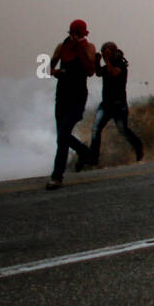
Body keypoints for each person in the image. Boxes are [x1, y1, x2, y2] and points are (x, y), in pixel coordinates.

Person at [47, 19, 97, 189]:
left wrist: (80, 49)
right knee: (61, 138)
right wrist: (56, 72)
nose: (75, 36)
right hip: (62, 95)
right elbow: (51, 67)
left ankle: (57, 175)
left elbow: (90, 70)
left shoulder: (89, 47)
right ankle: (84, 153)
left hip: (78, 96)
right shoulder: (62, 47)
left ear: (83, 34)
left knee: (63, 134)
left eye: (78, 34)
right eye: (73, 33)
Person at [89, 41, 144, 164]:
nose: (105, 56)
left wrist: (106, 60)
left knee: (122, 130)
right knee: (95, 129)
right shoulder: (109, 64)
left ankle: (138, 146)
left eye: (106, 53)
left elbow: (114, 73)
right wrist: (97, 61)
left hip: (119, 105)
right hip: (106, 104)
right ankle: (93, 156)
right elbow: (99, 73)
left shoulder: (121, 64)